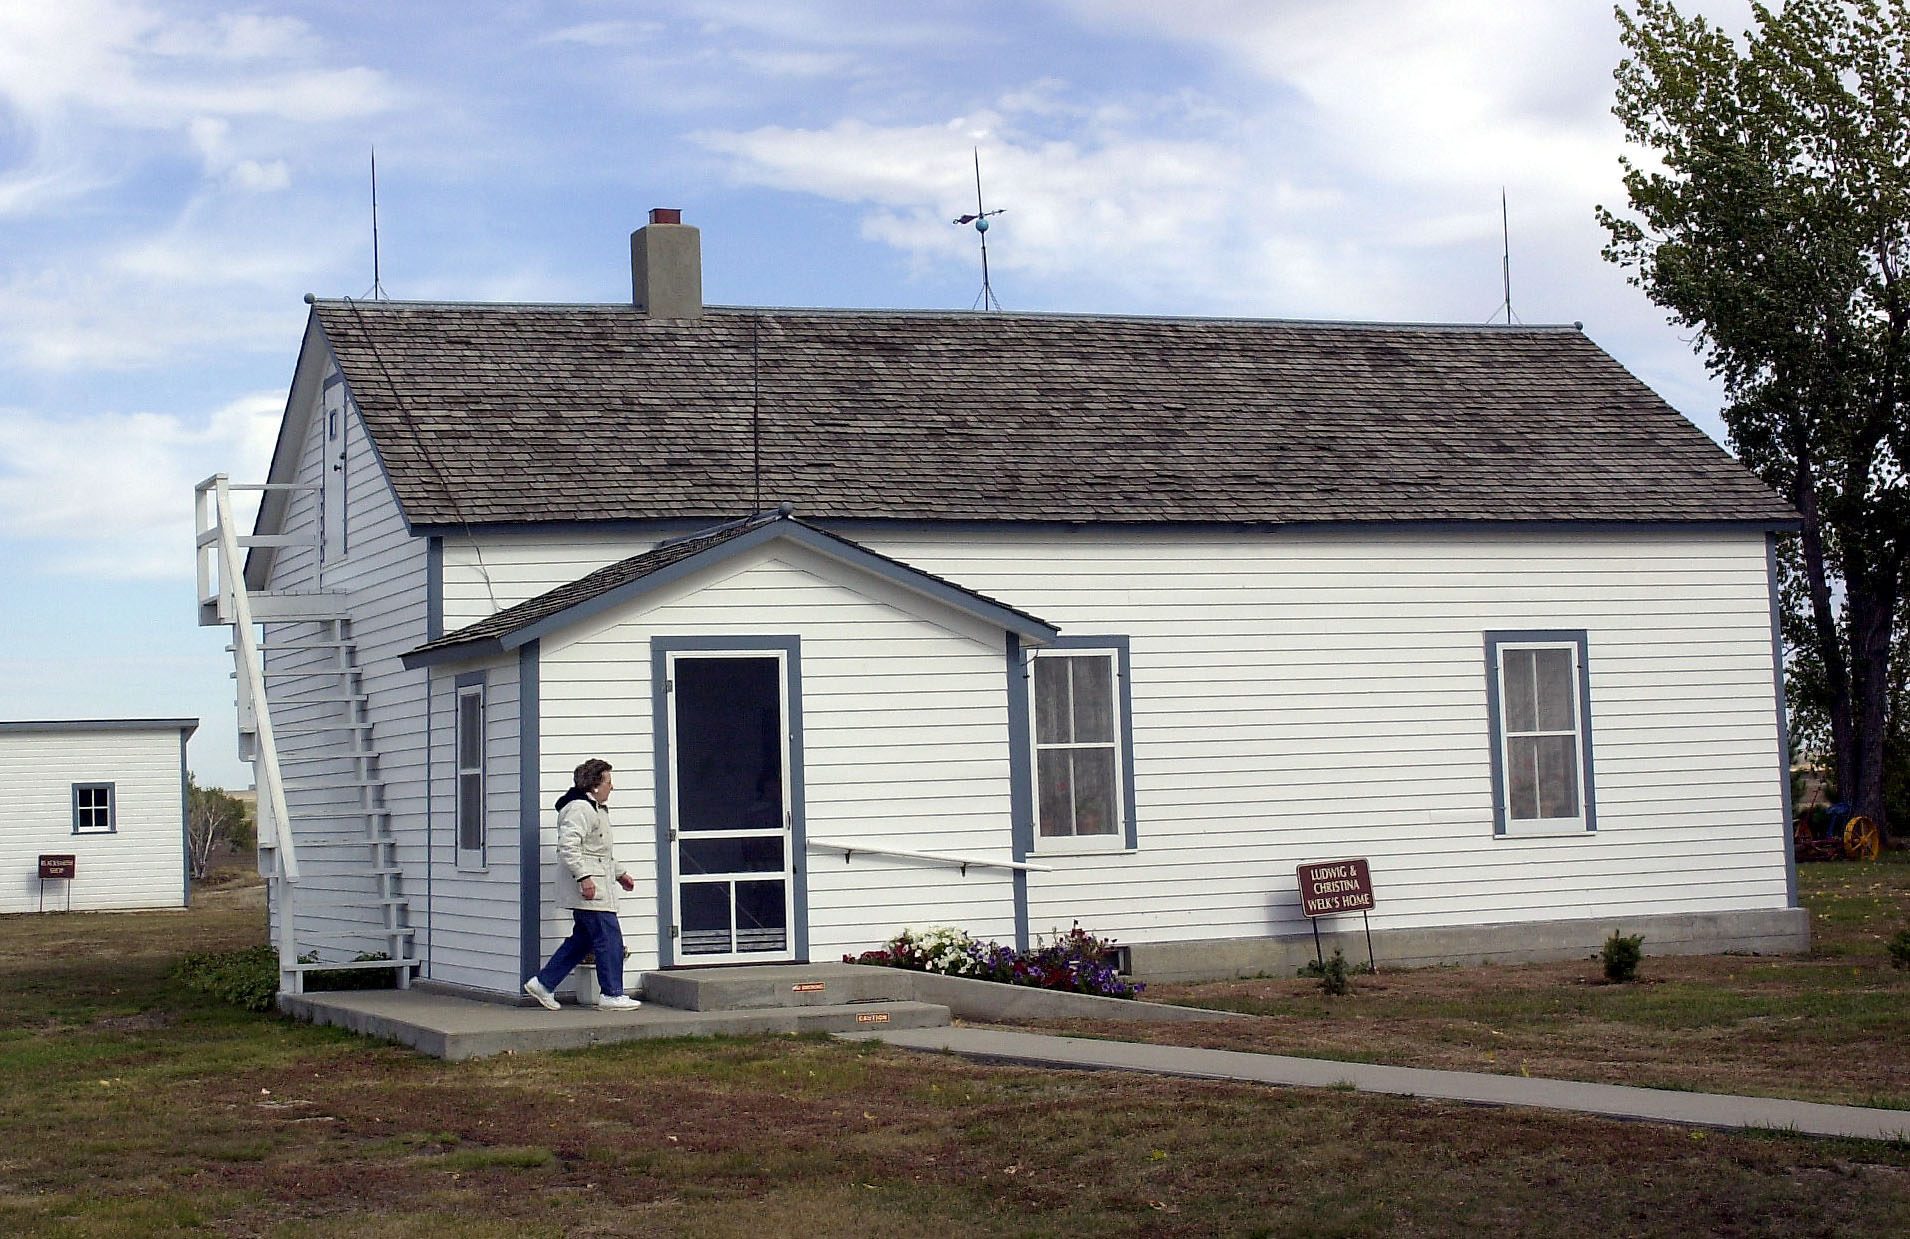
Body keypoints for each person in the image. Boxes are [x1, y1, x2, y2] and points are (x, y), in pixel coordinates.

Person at [524, 759, 642, 1012]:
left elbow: (599, 851)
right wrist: (584, 878)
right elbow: (569, 847)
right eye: (609, 781)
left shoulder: (595, 808)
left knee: (583, 939)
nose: (613, 787)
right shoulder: (580, 809)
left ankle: (544, 983)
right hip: (591, 890)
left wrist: (620, 874)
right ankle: (611, 993)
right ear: (595, 784)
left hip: (597, 884)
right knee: (609, 938)